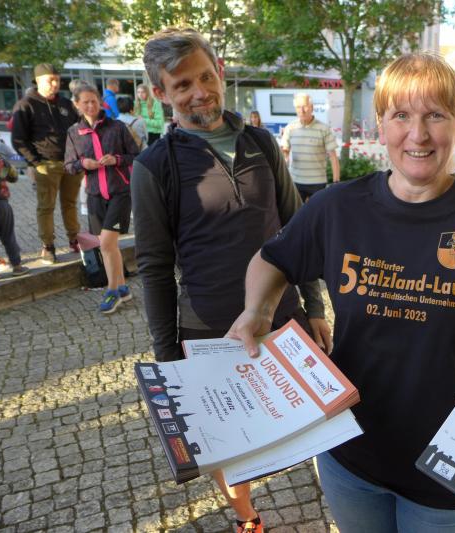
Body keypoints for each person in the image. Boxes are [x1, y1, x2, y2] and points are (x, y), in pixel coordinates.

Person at [228, 52, 455, 533]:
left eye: (435, 115)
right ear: (381, 125)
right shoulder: (338, 209)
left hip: (453, 471)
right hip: (351, 457)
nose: (417, 135)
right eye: (401, 115)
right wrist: (258, 308)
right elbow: (272, 259)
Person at [131, 28, 330, 533]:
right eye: (182, 85)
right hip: (209, 329)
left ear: (219, 71)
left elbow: (297, 229)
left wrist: (315, 306)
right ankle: (248, 518)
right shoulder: (154, 167)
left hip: (284, 315)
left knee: (312, 422)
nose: (199, 92)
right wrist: (168, 358)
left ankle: (335, 503)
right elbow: (154, 268)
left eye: (205, 76)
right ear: (160, 93)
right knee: (231, 444)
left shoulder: (261, 142)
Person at [64, 83, 139, 313]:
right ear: (77, 105)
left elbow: (135, 155)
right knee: (110, 245)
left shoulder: (117, 127)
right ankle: (123, 288)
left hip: (120, 192)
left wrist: (117, 159)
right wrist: (83, 164)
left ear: (100, 101)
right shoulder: (73, 133)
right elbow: (68, 166)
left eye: (94, 101)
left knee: (106, 243)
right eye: (85, 102)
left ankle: (112, 291)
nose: (90, 105)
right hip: (95, 195)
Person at [11, 63, 81, 264]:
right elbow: (18, 139)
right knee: (46, 207)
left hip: (71, 163)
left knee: (70, 204)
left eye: (57, 80)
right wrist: (35, 162)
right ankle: (48, 246)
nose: (55, 84)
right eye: (50, 80)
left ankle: (75, 239)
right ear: (38, 81)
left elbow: (79, 129)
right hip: (46, 164)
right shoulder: (26, 104)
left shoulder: (66, 104)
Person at [280, 92, 340, 201]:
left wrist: (336, 182)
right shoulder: (290, 128)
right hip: (296, 181)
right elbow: (284, 152)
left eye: (305, 106)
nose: (302, 110)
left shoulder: (324, 129)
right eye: (298, 107)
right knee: (297, 211)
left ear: (312, 107)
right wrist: (285, 155)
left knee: (317, 211)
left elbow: (333, 157)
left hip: (318, 182)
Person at [0, 152, 28, 281]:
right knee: (8, 235)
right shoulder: (1, 161)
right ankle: (17, 266)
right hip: (2, 203)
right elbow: (14, 177)